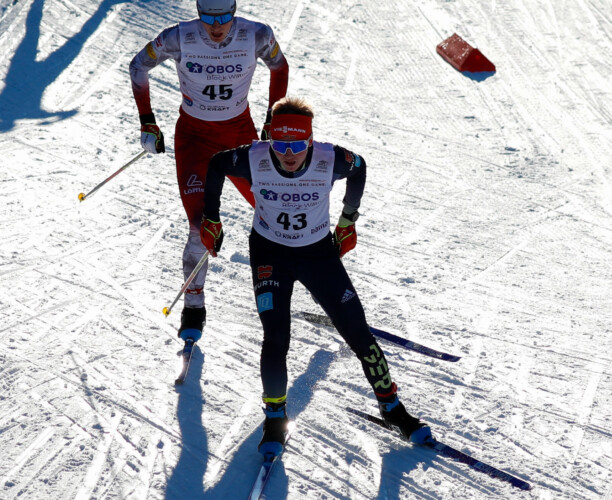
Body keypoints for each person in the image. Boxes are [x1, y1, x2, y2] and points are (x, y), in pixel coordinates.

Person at [200, 97, 432, 456]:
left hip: (317, 254)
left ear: (310, 140)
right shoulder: (253, 157)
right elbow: (216, 165)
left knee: (357, 330)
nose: (288, 154)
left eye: (297, 144)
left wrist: (348, 220)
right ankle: (275, 418)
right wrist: (211, 218)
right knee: (276, 336)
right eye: (280, 145)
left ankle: (392, 409)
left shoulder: (329, 158)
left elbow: (359, 168)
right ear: (270, 140)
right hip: (270, 256)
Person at [129, 0, 289, 341]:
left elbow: (280, 67)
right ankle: (194, 306)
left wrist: (272, 120)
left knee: (277, 208)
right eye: (208, 18)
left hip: (239, 137)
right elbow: (138, 66)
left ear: (234, 11)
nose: (216, 27)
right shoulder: (179, 37)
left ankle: (318, 279)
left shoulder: (256, 34)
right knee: (200, 226)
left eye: (224, 18)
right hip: (194, 140)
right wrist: (147, 122)